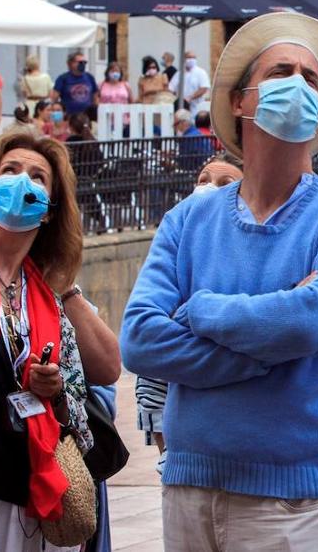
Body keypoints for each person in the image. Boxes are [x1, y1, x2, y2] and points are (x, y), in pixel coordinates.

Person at [120, 12, 318, 552]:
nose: (299, 85)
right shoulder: (188, 220)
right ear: (240, 101)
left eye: (311, 78)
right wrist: (271, 348)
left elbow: (314, 319)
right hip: (189, 487)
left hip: (296, 503)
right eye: (282, 71)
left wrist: (201, 310)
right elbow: (141, 338)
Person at [0, 131, 105, 550]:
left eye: (37, 176)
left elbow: (81, 420)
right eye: (9, 171)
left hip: (28, 492)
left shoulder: (49, 298)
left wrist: (57, 389)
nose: (21, 182)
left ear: (48, 210)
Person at [136, 153, 245, 474]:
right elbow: (146, 348)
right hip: (176, 424)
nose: (209, 188)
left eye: (225, 183)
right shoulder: (172, 248)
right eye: (203, 180)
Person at [51, 51, 98, 118]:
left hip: (87, 117)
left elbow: (95, 97)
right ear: (71, 63)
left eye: (84, 62)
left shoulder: (89, 77)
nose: (83, 64)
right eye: (80, 62)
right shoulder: (63, 78)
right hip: (69, 117)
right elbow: (54, 98)